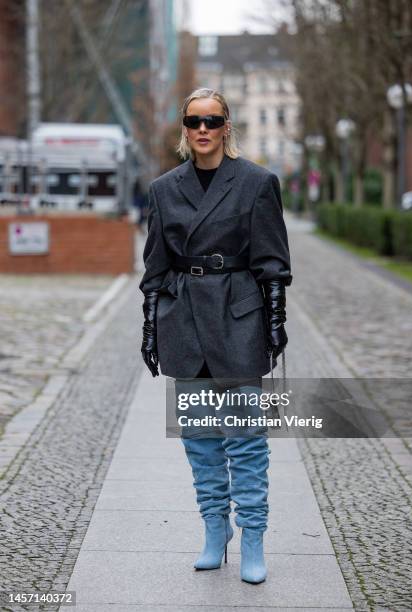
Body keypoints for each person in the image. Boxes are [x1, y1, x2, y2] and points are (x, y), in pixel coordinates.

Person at [139, 88, 292, 584]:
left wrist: (274, 320)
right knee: (201, 440)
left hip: (239, 317)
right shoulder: (164, 189)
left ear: (227, 126)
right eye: (193, 121)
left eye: (212, 120)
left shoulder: (257, 183)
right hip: (183, 320)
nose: (202, 129)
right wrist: (150, 326)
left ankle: (253, 536)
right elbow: (155, 266)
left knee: (246, 440)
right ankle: (214, 529)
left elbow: (272, 261)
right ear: (184, 129)